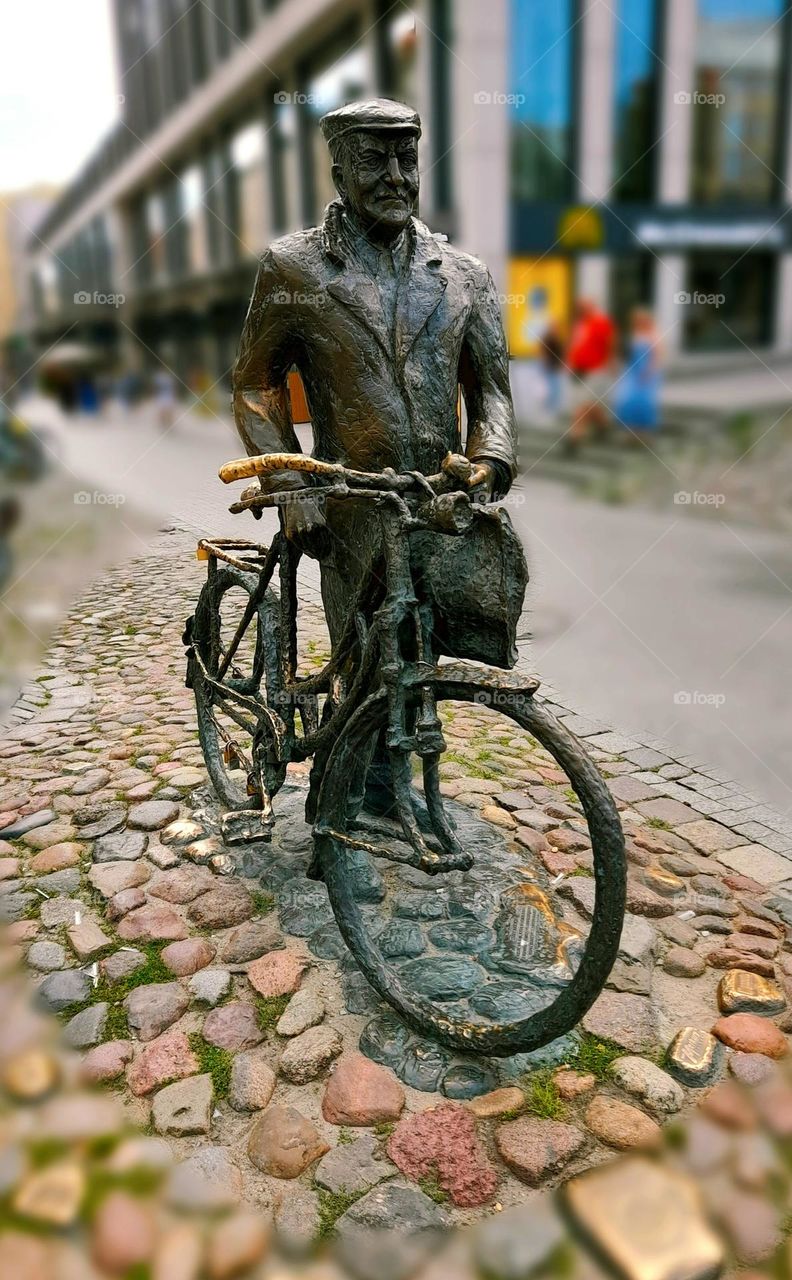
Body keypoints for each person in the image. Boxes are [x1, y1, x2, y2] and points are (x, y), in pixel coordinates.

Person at [232, 97, 526, 815]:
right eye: (373, 160)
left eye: (408, 158)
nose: (396, 176)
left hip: (435, 503)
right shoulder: (292, 268)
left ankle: (394, 789)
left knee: (420, 650)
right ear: (337, 166)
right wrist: (289, 476)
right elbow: (253, 389)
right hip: (349, 502)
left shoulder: (463, 274)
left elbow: (491, 392)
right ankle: (344, 801)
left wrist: (488, 461)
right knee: (360, 654)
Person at [566, 298, 616, 446]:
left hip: (595, 369)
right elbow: (575, 345)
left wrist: (611, 363)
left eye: (583, 306)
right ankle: (603, 426)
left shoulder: (600, 322)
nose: (580, 309)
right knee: (591, 403)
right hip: (579, 370)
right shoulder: (580, 324)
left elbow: (610, 343)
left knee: (584, 403)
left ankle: (575, 437)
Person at [612, 307, 662, 438]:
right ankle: (631, 429)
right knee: (626, 398)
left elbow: (656, 356)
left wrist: (649, 371)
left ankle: (643, 431)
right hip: (631, 370)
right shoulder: (634, 334)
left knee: (643, 401)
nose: (638, 322)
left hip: (645, 371)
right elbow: (627, 353)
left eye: (640, 319)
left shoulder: (653, 334)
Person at [539, 319, 565, 422]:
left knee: (555, 389)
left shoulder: (558, 338)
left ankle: (553, 409)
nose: (556, 329)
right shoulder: (548, 338)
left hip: (556, 366)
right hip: (549, 366)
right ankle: (548, 409)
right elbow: (543, 352)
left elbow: (561, 352)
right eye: (554, 327)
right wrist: (544, 363)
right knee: (550, 388)